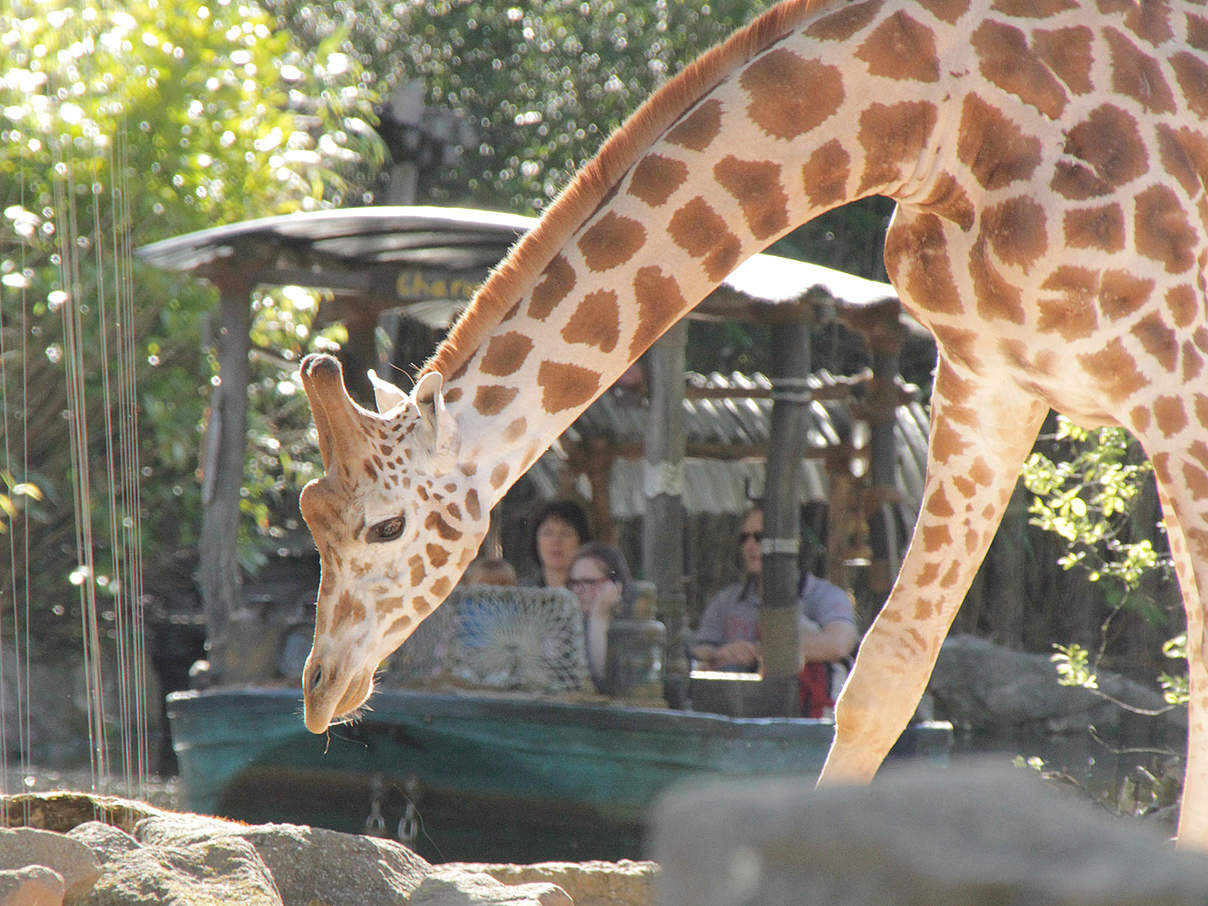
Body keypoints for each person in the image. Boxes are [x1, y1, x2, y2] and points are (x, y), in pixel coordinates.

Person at [692, 505, 860, 717]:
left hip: (802, 722)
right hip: (731, 716)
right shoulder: (726, 601)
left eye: (760, 537)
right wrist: (718, 655)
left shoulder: (824, 596)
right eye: (744, 538)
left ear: (794, 542)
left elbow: (839, 644)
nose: (750, 545)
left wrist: (758, 651)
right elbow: (698, 653)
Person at [567, 543, 633, 693]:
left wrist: (599, 616)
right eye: (574, 583)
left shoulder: (631, 627)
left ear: (615, 585)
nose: (578, 590)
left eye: (589, 582)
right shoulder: (569, 625)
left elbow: (605, 680)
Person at [520, 499, 591, 589]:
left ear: (581, 542)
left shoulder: (594, 594)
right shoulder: (523, 593)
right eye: (548, 533)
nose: (556, 541)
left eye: (566, 534)